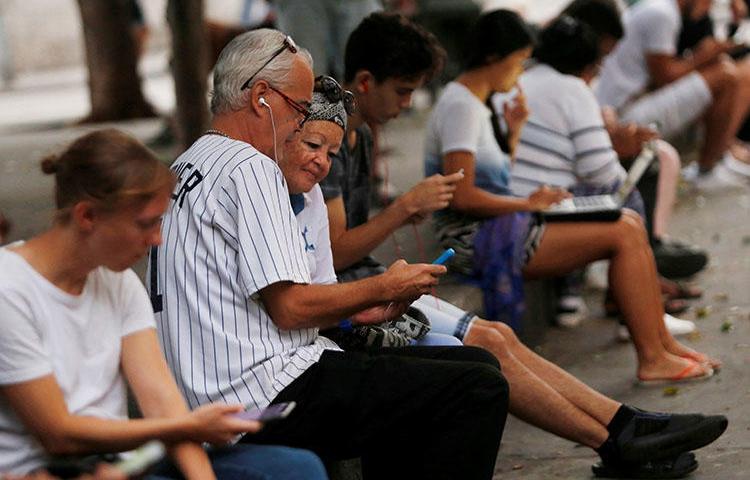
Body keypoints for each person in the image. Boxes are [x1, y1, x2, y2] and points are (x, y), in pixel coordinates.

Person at [294, 78, 729, 479]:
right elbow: (309, 291)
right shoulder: (457, 108)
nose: (323, 162)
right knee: (489, 351)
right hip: (355, 305)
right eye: (314, 146)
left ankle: (624, 422)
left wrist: (516, 143)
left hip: (359, 295)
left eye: (329, 153)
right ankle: (620, 433)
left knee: (497, 337)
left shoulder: (331, 170)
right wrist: (402, 215)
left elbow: (327, 279)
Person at [150, 28, 509, 480]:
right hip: (259, 395)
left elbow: (255, 305)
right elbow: (291, 307)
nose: (302, 122)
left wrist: (360, 307)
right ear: (261, 97)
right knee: (478, 387)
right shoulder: (250, 166)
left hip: (222, 386)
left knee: (471, 365)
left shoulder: (188, 163)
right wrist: (384, 285)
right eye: (299, 108)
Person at [0, 129, 329, 480]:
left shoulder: (119, 281)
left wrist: (193, 455)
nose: (158, 238)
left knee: (297, 468)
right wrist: (184, 426)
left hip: (123, 463)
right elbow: (59, 433)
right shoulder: (10, 287)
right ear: (87, 216)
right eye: (146, 224)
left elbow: (162, 403)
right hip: (44, 470)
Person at [424, 9, 722, 383]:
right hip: (477, 238)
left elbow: (493, 177)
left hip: (503, 223)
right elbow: (463, 196)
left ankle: (663, 346)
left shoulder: (476, 102)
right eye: (518, 64)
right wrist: (528, 204)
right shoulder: (461, 106)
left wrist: (514, 137)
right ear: (493, 59)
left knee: (626, 222)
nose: (522, 74)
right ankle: (652, 357)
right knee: (623, 230)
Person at [594, 0, 750, 189]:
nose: (709, 8)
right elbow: (665, 77)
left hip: (631, 104)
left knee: (728, 70)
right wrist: (705, 54)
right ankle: (707, 170)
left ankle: (720, 156)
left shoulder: (665, 9)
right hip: (623, 114)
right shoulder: (662, 13)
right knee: (725, 75)